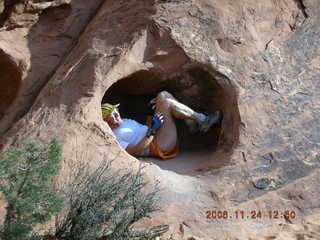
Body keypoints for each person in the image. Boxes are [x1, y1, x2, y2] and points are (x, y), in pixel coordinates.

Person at [102, 91, 222, 160]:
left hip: (156, 135)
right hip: (158, 147)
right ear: (105, 122)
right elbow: (137, 151)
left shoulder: (126, 120)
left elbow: (144, 128)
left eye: (114, 111)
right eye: (110, 116)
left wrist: (151, 113)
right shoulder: (115, 137)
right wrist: (153, 129)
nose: (115, 115)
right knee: (167, 103)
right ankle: (203, 120)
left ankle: (191, 124)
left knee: (163, 96)